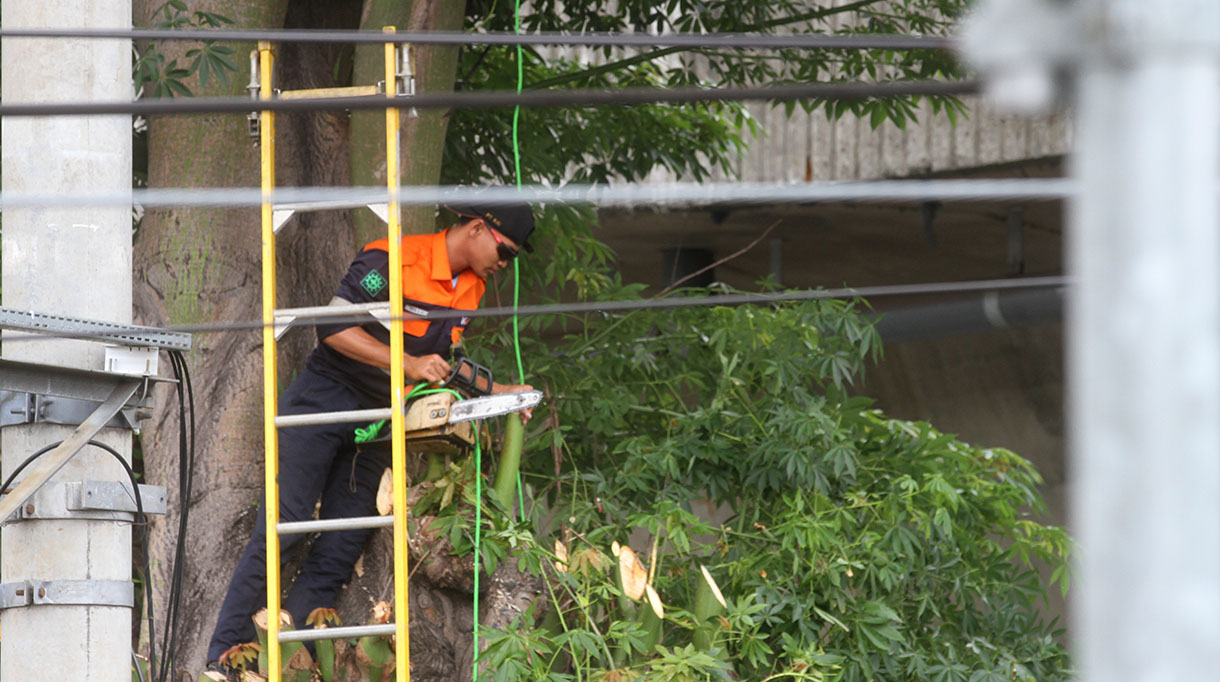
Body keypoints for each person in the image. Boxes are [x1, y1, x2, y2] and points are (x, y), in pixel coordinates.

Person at [205, 199, 536, 676]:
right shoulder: (392, 259)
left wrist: (504, 394)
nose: (504, 265)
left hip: (380, 421)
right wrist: (406, 363)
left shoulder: (472, 287)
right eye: (505, 253)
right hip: (324, 400)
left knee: (339, 549)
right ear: (479, 228)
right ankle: (224, 659)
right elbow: (333, 327)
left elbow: (443, 360)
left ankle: (280, 666)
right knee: (284, 527)